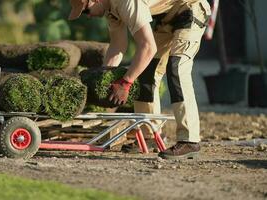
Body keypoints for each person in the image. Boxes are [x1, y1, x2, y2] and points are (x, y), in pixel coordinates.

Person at [68, 0, 211, 159]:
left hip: (190, 9)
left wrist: (125, 82)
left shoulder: (126, 2)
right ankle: (149, 135)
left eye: (86, 11)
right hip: (165, 18)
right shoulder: (110, 10)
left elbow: (148, 47)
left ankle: (190, 140)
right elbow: (117, 46)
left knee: (177, 68)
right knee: (145, 72)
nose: (88, 17)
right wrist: (103, 76)